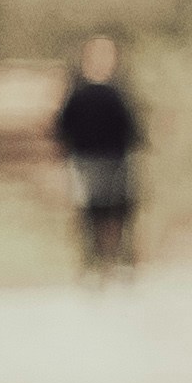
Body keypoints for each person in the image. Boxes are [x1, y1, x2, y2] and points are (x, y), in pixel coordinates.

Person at [52, 35, 147, 277]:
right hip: (87, 162)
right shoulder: (78, 92)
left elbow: (133, 127)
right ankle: (92, 263)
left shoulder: (119, 91)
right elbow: (63, 127)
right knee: (90, 214)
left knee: (119, 211)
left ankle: (120, 261)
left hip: (116, 160)